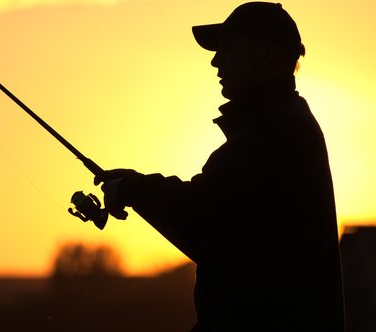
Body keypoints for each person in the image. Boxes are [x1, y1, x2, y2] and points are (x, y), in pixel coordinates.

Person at [94, 2, 345, 331]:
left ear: (265, 56)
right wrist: (134, 186)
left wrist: (132, 189)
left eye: (228, 49)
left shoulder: (273, 132)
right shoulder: (284, 124)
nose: (215, 61)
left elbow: (201, 217)